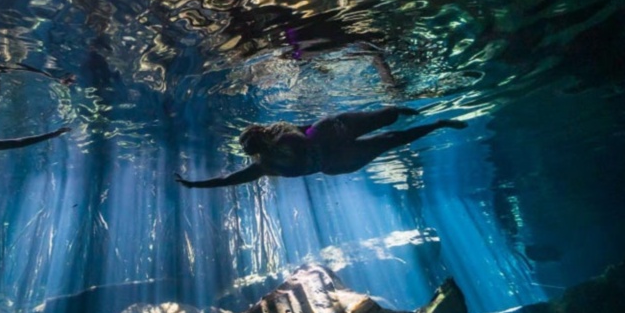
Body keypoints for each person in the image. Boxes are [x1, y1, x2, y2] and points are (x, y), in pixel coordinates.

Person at [174, 106, 466, 188]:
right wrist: (194, 184)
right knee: (389, 133)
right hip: (336, 148)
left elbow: (228, 179)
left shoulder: (269, 158)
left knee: (389, 134)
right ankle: (433, 121)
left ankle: (433, 121)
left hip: (334, 149)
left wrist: (194, 185)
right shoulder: (267, 163)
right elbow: (228, 179)